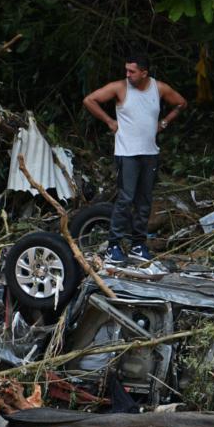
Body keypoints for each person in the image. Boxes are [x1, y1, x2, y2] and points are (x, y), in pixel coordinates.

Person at [83, 52, 187, 267]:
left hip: (149, 152)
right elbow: (90, 100)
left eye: (132, 71)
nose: (127, 74)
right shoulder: (120, 87)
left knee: (144, 201)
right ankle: (114, 246)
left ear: (144, 73)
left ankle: (138, 245)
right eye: (126, 70)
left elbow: (181, 103)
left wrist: (164, 123)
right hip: (126, 153)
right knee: (126, 198)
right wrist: (110, 121)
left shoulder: (159, 88)